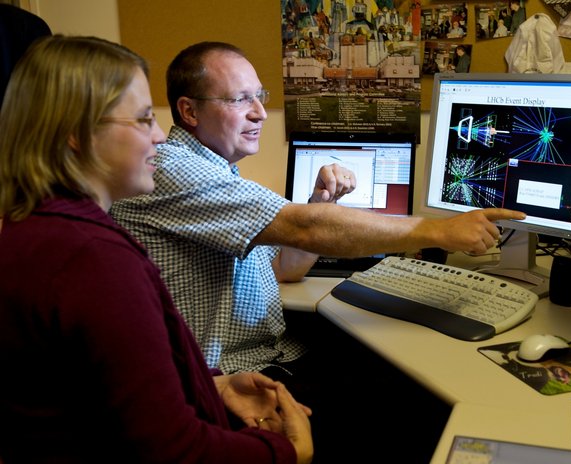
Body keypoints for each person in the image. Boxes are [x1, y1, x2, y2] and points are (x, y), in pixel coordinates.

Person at [109, 41, 525, 460]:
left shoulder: (218, 171)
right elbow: (303, 229)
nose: (257, 112)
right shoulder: (173, 168)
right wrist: (437, 231)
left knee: (400, 384)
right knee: (415, 411)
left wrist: (322, 202)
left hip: (272, 358)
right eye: (240, 99)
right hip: (230, 382)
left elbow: (283, 269)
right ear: (190, 111)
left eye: (259, 96)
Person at [0, 35, 312, 464]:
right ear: (76, 133)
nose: (160, 139)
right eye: (143, 120)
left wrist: (213, 386)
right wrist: (287, 453)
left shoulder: (39, 230)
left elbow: (114, 386)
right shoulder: (92, 259)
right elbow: (174, 451)